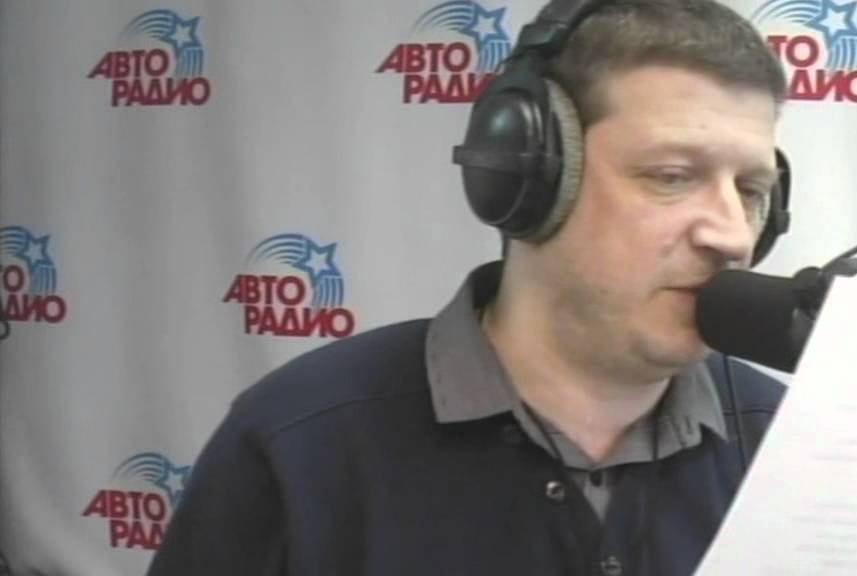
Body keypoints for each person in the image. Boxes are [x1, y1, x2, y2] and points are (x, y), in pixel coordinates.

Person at [146, 0, 790, 574]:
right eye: (672, 176)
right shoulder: (302, 442)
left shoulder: (788, 447)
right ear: (528, 175)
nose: (732, 235)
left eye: (751, 191)